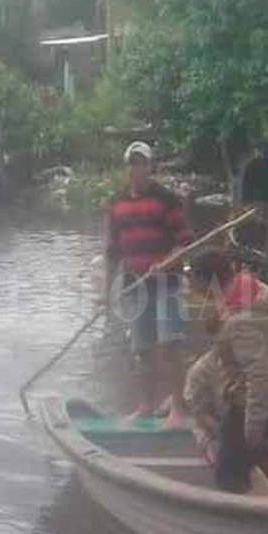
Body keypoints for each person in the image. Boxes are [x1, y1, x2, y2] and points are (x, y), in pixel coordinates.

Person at [183, 249, 268, 495]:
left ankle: (261, 516)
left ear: (206, 280)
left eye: (191, 276)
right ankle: (266, 495)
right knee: (241, 460)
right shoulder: (252, 294)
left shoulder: (240, 320)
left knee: (228, 476)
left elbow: (259, 376)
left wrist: (252, 430)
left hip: (252, 403)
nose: (189, 282)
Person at [104, 141, 192, 424]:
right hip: (134, 286)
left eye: (142, 163)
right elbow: (112, 252)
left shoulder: (167, 199)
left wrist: (167, 261)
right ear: (127, 167)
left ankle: (177, 407)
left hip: (166, 283)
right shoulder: (116, 203)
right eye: (132, 163)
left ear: (150, 167)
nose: (136, 169)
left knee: (170, 344)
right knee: (142, 349)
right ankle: (146, 405)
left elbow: (185, 244)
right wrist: (107, 292)